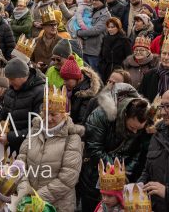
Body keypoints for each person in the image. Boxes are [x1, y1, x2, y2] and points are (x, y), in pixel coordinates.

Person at [78, 83, 150, 212]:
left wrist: (125, 173)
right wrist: (115, 172)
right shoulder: (102, 115)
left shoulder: (141, 123)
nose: (135, 132)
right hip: (95, 172)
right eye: (132, 128)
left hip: (122, 181)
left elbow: (136, 153)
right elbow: (93, 148)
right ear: (125, 115)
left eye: (138, 129)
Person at [15, 84, 83, 212]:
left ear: (64, 115)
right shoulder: (35, 129)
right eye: (46, 113)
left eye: (54, 114)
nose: (49, 118)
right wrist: (25, 189)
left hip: (57, 206)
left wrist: (38, 197)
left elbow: (68, 178)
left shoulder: (72, 138)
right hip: (28, 202)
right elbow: (21, 161)